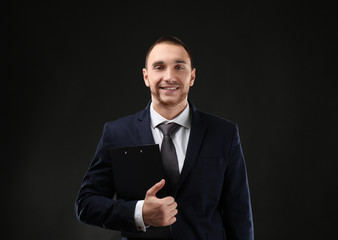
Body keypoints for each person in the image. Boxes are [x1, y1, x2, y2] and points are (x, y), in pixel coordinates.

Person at [75, 36, 254, 240]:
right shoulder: (117, 133)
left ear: (192, 76)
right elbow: (86, 204)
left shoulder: (224, 133)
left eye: (179, 67)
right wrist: (139, 213)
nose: (169, 77)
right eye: (159, 67)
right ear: (146, 76)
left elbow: (239, 216)